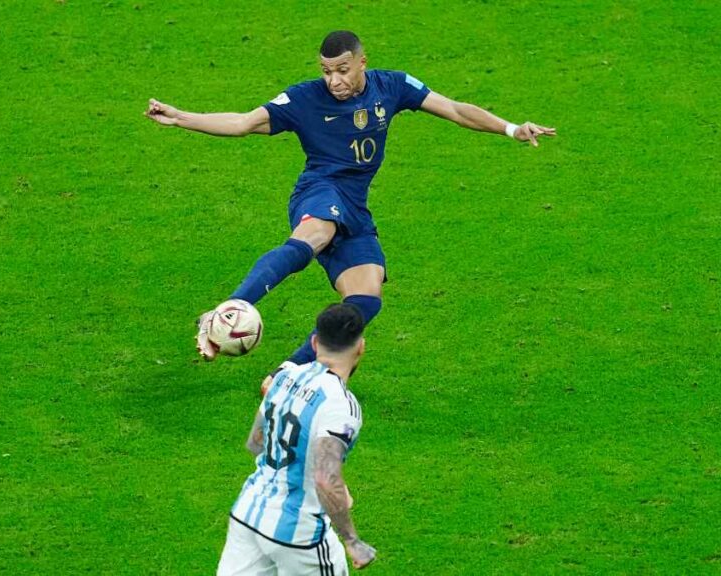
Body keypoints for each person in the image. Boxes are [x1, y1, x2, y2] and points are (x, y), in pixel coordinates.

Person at [146, 30, 555, 390]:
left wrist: (510, 128)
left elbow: (453, 108)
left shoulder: (391, 87)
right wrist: (181, 117)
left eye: (342, 70)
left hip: (356, 207)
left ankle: (287, 373)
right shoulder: (305, 98)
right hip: (319, 190)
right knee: (316, 233)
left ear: (362, 62)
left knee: (366, 298)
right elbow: (243, 123)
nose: (334, 80)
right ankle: (224, 313)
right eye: (327, 71)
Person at [217, 303, 373, 575]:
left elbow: (256, 441)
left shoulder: (284, 377)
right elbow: (326, 479)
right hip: (298, 535)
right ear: (360, 346)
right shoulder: (341, 405)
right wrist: (352, 541)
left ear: (314, 342)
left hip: (248, 515)